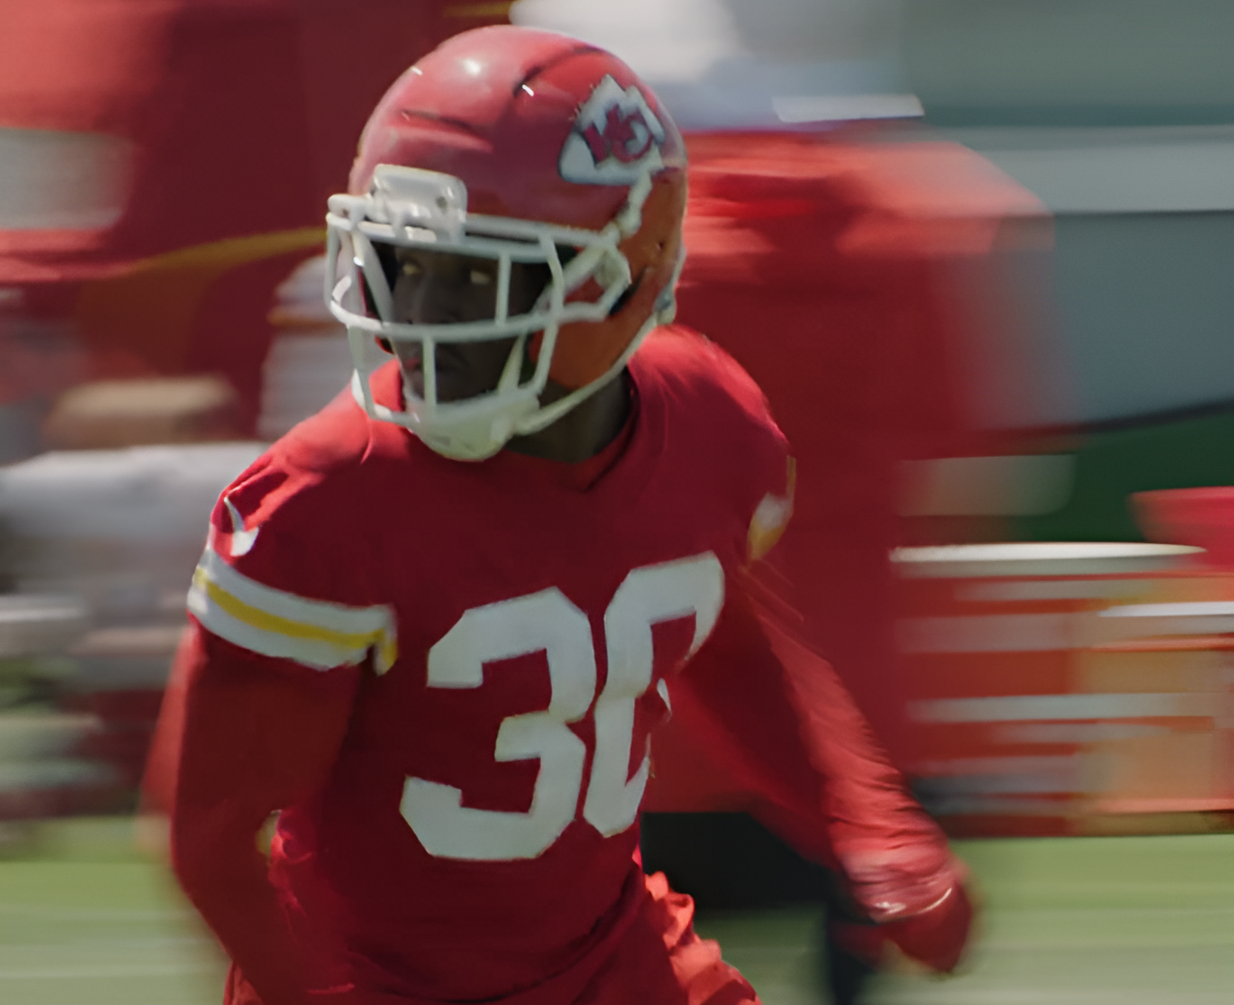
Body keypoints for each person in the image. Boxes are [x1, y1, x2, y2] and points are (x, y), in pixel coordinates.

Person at [143, 25, 972, 1005]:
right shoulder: (324, 500)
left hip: (612, 955)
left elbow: (725, 640)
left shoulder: (707, 421)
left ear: (617, 279)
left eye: (472, 280)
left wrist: (868, 824)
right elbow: (208, 837)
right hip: (375, 986)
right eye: (404, 266)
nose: (421, 321)